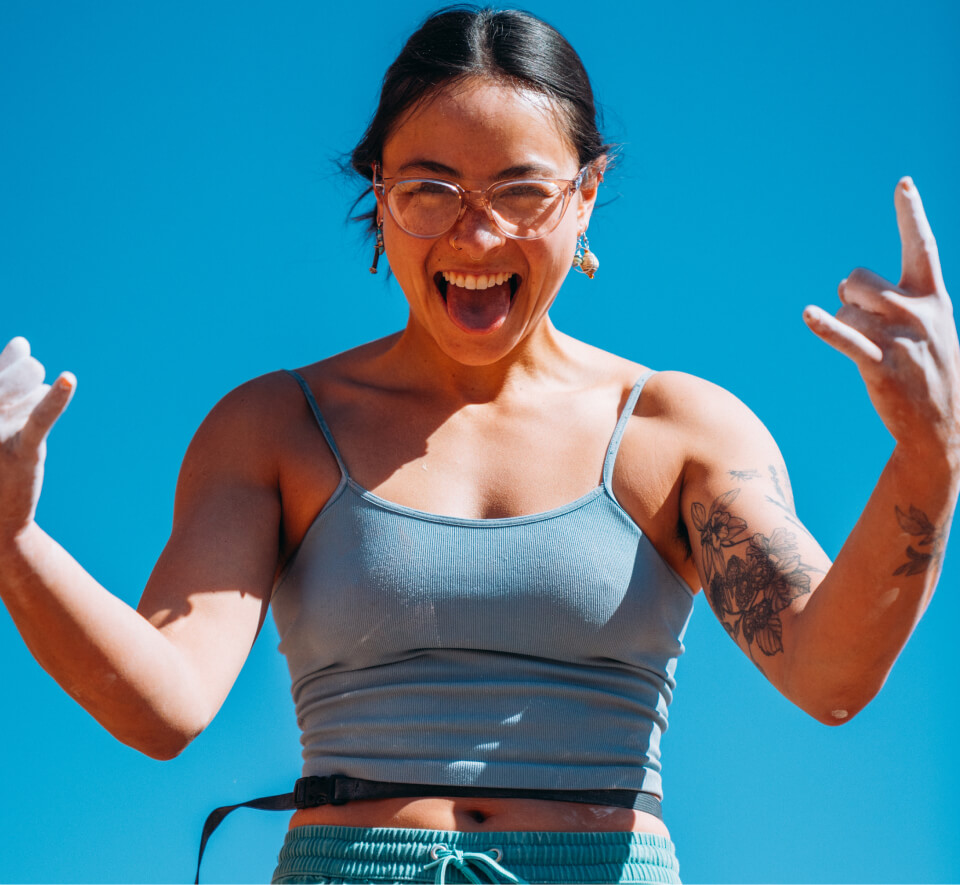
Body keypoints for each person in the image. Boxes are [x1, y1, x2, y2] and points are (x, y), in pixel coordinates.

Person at [1, 6, 957, 884]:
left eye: (521, 190)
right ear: (378, 193)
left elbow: (829, 673)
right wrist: (13, 541)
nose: (478, 232)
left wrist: (929, 457)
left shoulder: (678, 431)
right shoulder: (276, 426)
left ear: (586, 195)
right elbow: (165, 703)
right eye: (431, 189)